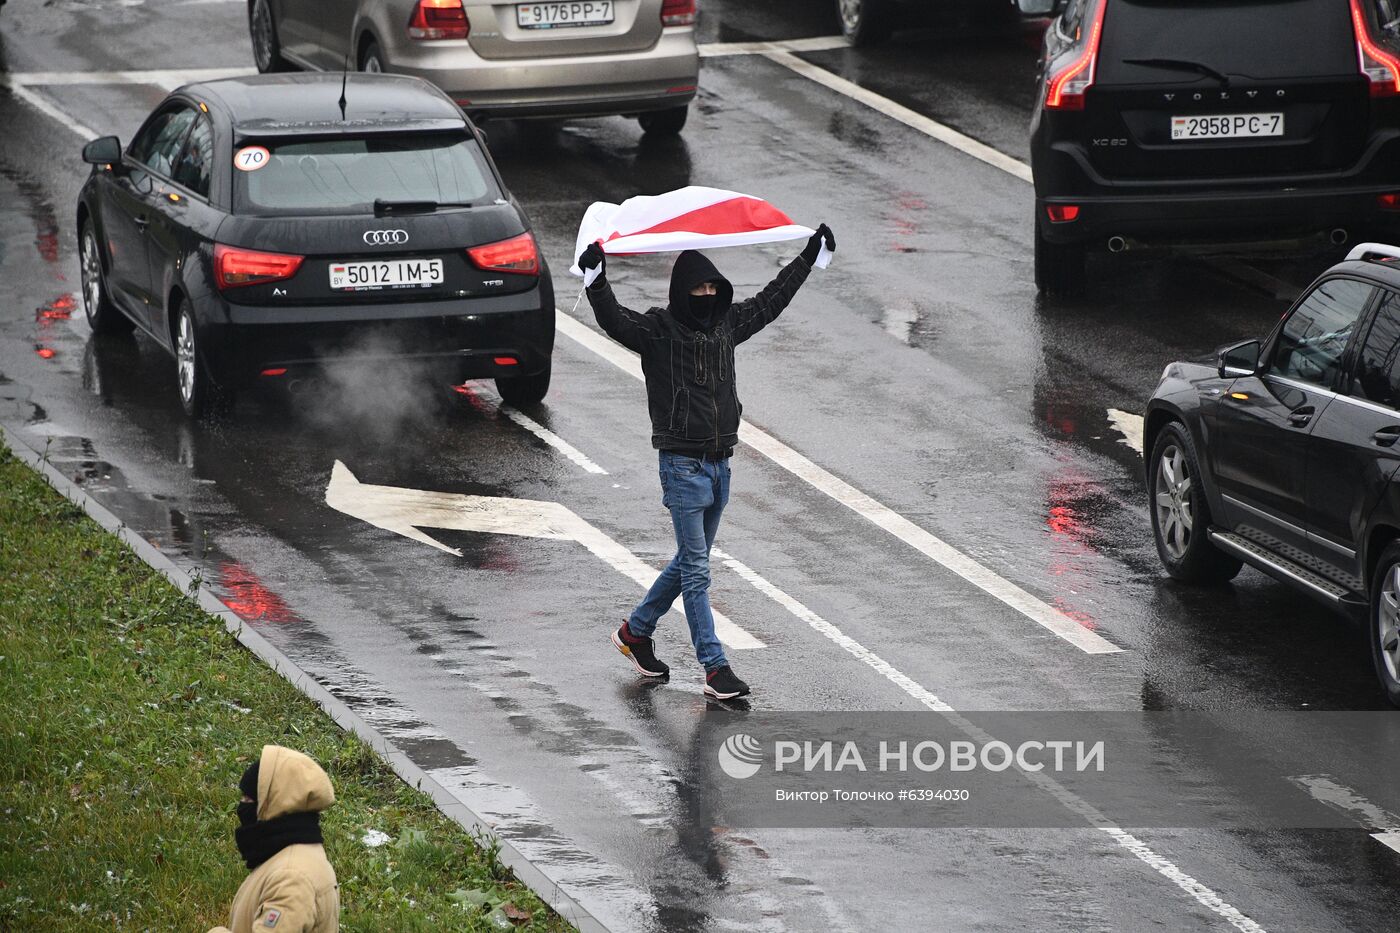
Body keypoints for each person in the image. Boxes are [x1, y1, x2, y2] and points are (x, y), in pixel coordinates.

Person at [577, 224, 835, 699]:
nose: (708, 296)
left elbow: (771, 301)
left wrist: (806, 257)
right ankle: (715, 669)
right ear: (681, 292)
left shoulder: (727, 325)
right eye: (699, 289)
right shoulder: (657, 331)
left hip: (720, 465)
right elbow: (615, 320)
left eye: (714, 288)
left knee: (688, 562)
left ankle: (635, 633)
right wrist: (596, 279)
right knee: (696, 571)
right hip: (681, 466)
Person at [209, 745, 339, 933]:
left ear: (275, 804)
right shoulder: (295, 854)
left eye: (248, 798)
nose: (242, 805)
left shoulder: (291, 877)